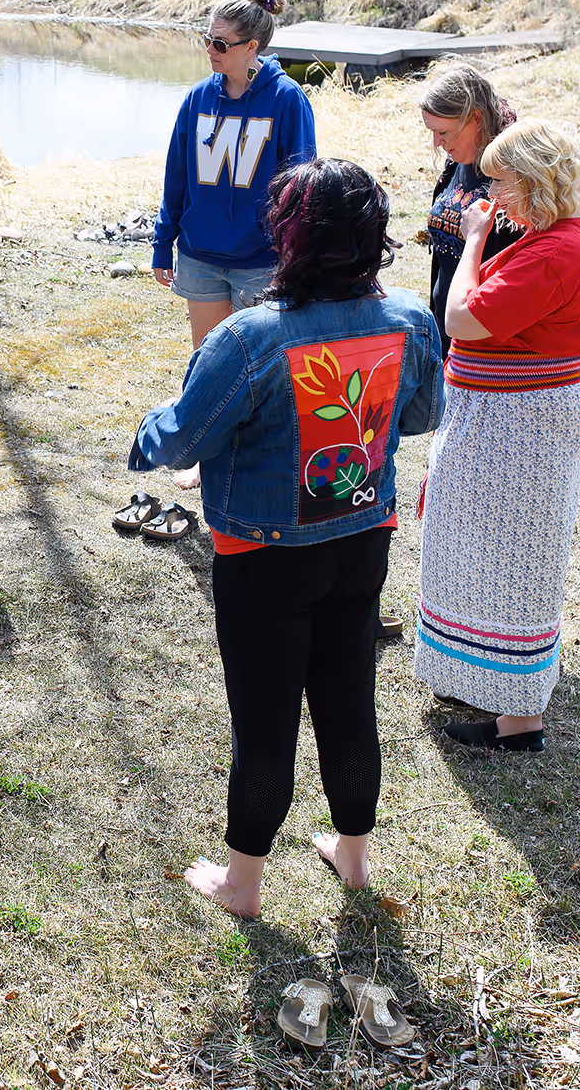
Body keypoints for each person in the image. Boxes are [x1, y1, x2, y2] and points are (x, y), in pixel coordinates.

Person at [131, 159, 443, 916]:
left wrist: (147, 434)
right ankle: (354, 857)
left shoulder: (248, 337)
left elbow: (181, 441)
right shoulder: (409, 319)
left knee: (265, 715)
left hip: (262, 558)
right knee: (348, 699)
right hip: (362, 538)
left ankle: (243, 883)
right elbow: (421, 415)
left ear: (290, 236)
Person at [414, 118, 580, 753]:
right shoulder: (556, 234)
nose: (490, 198)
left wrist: (472, 242)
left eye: (499, 184)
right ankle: (480, 677)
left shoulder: (557, 252)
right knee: (474, 542)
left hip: (521, 421)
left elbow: (463, 319)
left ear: (532, 182)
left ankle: (519, 718)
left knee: (517, 558)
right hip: (507, 415)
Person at [152, 0, 317, 491]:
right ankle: (206, 452)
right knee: (209, 359)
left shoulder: (289, 101)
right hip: (201, 254)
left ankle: (259, 454)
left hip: (260, 258)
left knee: (261, 363)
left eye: (221, 43)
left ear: (253, 48)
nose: (211, 50)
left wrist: (295, 254)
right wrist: (163, 240)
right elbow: (176, 175)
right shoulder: (197, 99)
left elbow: (302, 185)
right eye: (207, 39)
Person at [414, 58, 522, 358]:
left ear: (476, 118)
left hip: (489, 341)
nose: (437, 142)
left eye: (444, 132)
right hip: (447, 332)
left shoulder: (512, 175)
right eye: (433, 132)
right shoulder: (456, 163)